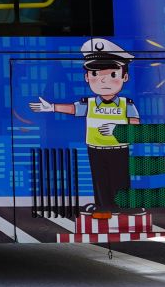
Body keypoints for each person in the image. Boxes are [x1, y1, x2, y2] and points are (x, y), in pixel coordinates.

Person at [31, 37, 140, 219]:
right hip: (95, 149)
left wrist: (117, 129)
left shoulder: (126, 104)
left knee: (120, 178)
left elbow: (135, 124)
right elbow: (73, 109)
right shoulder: (89, 103)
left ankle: (124, 206)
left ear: (125, 77)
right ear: (87, 77)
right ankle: (103, 207)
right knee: (100, 179)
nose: (103, 81)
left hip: (119, 148)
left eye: (112, 75)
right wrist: (51, 107)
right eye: (96, 74)